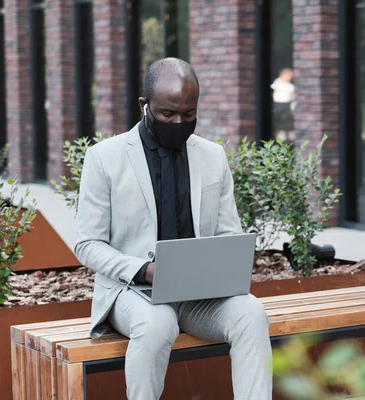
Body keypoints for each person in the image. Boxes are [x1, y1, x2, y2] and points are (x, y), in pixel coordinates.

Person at [74, 57, 272, 400]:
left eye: (189, 114)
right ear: (144, 105)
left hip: (199, 294)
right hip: (133, 291)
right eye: (168, 114)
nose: (179, 122)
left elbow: (228, 231)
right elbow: (88, 243)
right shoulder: (104, 158)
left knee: (251, 313)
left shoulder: (213, 156)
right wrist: (144, 270)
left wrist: (225, 262)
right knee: (157, 324)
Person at [271, 68, 296, 141]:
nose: (290, 78)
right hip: (278, 104)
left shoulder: (290, 85)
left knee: (287, 120)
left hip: (287, 105)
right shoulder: (276, 83)